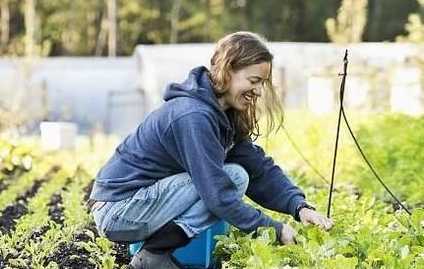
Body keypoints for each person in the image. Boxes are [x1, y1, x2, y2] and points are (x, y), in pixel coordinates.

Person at [87, 31, 333, 269]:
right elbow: (217, 194)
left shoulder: (220, 116)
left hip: (137, 204)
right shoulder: (194, 115)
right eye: (254, 81)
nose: (259, 91)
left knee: (238, 173)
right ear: (228, 71)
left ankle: (154, 257)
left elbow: (258, 167)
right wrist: (274, 229)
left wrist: (299, 207)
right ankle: (153, 256)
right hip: (119, 209)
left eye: (262, 83)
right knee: (232, 179)